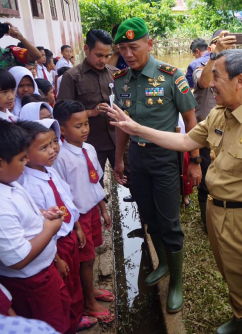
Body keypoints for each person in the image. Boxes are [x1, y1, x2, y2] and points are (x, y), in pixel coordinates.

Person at [105, 48, 242, 334]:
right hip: (216, 210)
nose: (210, 83)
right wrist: (137, 128)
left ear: (240, 81)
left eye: (216, 76)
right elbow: (185, 141)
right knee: (228, 269)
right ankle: (241, 314)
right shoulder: (220, 114)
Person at [111, 17, 200, 312]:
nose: (127, 54)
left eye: (133, 47)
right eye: (122, 48)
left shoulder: (171, 76)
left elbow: (191, 123)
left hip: (164, 157)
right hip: (137, 158)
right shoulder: (121, 80)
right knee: (147, 214)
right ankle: (162, 262)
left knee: (170, 220)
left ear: (149, 43)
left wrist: (195, 161)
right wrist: (120, 159)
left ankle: (177, 281)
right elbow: (122, 126)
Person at [17, 121, 97, 333]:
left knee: (74, 281)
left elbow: (66, 201)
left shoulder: (50, 171)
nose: (53, 150)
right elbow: (37, 227)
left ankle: (78, 315)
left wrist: (77, 226)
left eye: (54, 142)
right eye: (44, 148)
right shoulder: (28, 185)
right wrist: (56, 258)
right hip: (55, 245)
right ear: (24, 153)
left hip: (68, 235)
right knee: (65, 287)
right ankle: (70, 322)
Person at [0, 119, 70, 333]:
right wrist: (50, 228)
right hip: (31, 282)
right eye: (21, 158)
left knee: (62, 315)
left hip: (45, 271)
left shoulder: (8, 182)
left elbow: (22, 218)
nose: (26, 162)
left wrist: (43, 215)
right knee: (50, 324)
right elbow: (17, 259)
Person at [53, 100, 115, 323]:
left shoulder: (88, 148)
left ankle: (91, 289)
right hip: (78, 217)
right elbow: (64, 196)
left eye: (86, 124)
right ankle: (88, 302)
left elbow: (94, 182)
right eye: (78, 126)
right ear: (62, 128)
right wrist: (77, 225)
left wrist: (103, 209)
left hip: (92, 212)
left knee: (91, 256)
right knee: (85, 260)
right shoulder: (60, 157)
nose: (85, 129)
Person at [57, 29, 126, 189]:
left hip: (119, 141)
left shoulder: (116, 75)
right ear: (87, 49)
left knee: (133, 179)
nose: (103, 60)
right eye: (99, 55)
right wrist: (90, 113)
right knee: (93, 185)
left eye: (107, 55)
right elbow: (61, 112)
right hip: (92, 143)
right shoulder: (72, 77)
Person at [193, 29, 236, 232]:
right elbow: (203, 82)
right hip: (208, 134)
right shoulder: (200, 64)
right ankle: (207, 222)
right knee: (207, 179)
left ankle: (227, 218)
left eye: (231, 44)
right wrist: (215, 54)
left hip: (232, 133)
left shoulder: (235, 68)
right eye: (222, 43)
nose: (228, 48)